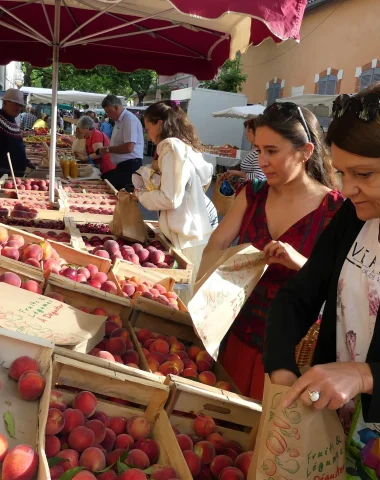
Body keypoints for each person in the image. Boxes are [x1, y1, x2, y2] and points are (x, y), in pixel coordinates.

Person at [263, 86, 380, 479]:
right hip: (331, 428)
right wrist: (281, 368)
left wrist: (367, 375)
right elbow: (301, 294)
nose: (347, 189)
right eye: (343, 173)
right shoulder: (353, 218)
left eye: (364, 174)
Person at [201, 102, 345, 401]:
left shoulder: (335, 211)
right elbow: (215, 245)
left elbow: (341, 288)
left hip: (292, 354)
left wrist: (301, 264)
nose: (261, 160)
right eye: (258, 149)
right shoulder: (252, 194)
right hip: (235, 335)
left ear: (305, 152)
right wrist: (206, 294)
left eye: (272, 151)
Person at [135, 100, 215, 304]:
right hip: (193, 231)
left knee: (185, 301)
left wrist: (142, 194)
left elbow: (171, 198)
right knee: (192, 295)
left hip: (186, 233)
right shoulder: (183, 148)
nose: (147, 133)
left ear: (160, 124)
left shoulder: (171, 149)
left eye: (148, 127)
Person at [99, 95, 144, 191]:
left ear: (116, 107)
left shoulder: (129, 119)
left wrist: (108, 149)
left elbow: (129, 147)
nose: (108, 115)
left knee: (123, 198)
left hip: (130, 166)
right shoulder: (119, 121)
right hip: (123, 166)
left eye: (108, 111)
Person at [0, 88, 35, 176]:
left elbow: (14, 147)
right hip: (5, 176)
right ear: (5, 103)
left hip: (14, 175)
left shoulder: (11, 120)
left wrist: (26, 161)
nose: (19, 108)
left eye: (20, 105)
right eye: (16, 104)